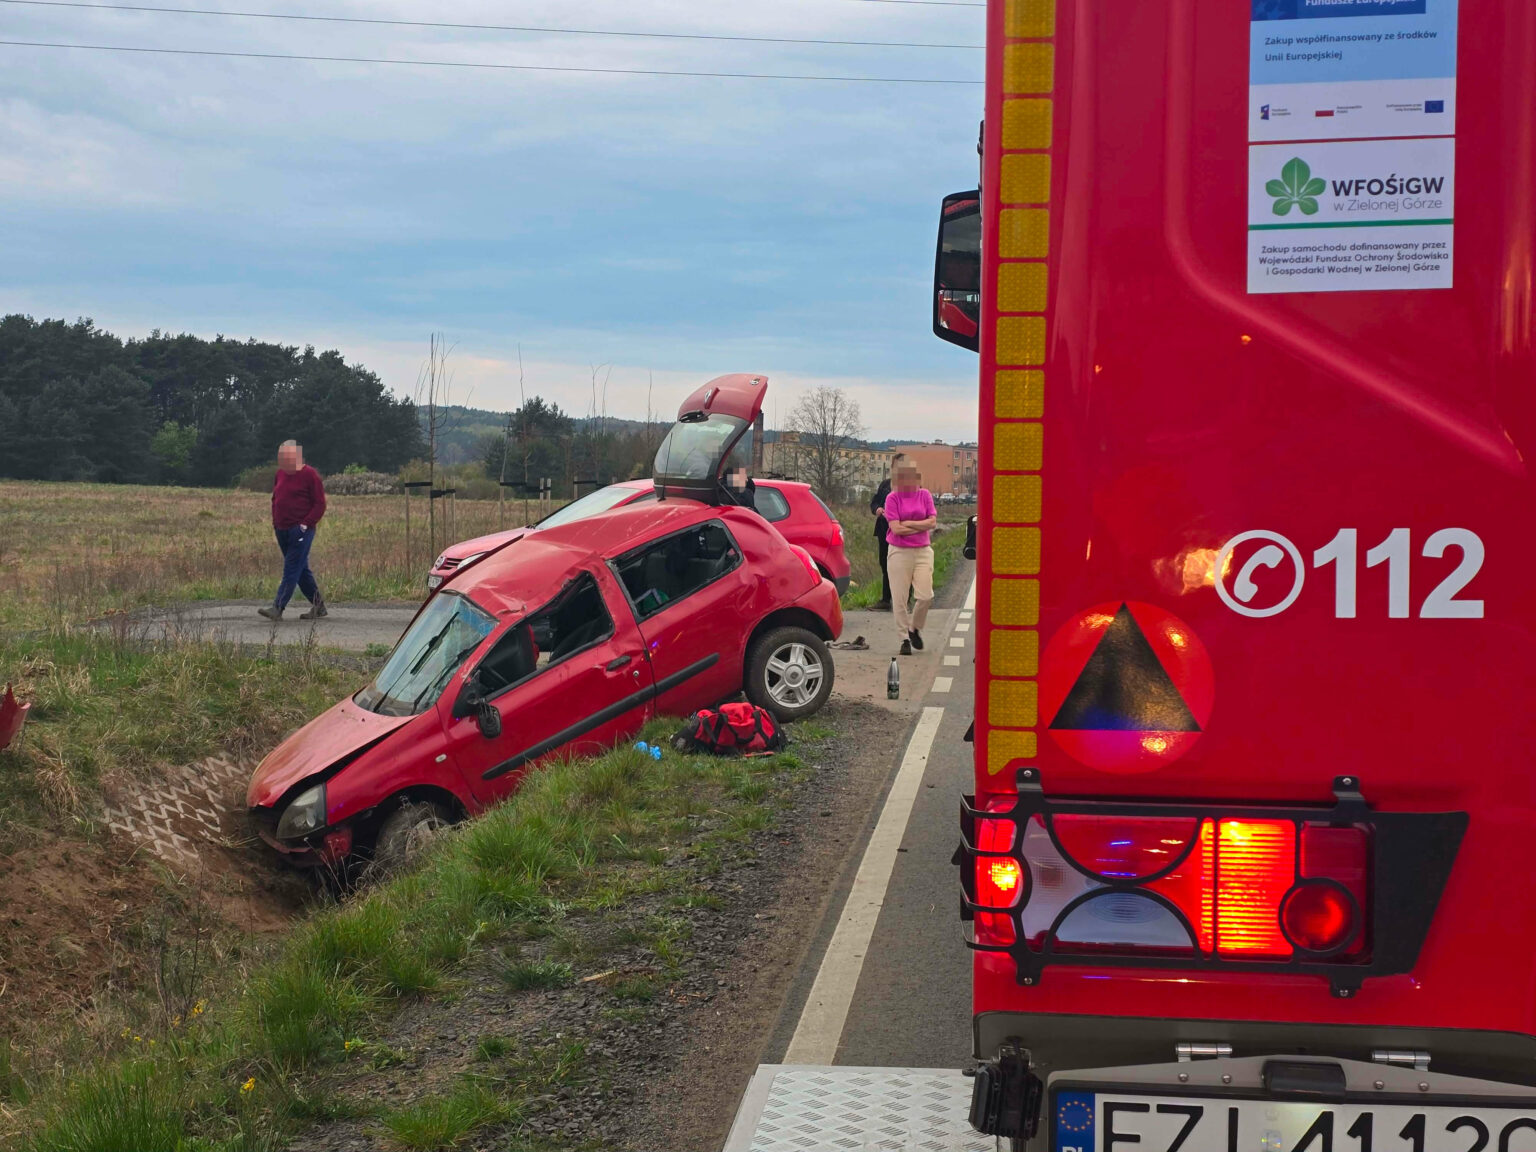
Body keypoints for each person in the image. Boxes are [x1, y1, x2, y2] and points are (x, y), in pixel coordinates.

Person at [259, 440, 328, 622]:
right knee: (301, 570)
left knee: (291, 568)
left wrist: (305, 524)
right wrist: (275, 521)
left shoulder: (310, 475)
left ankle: (278, 607)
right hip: (281, 529)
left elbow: (320, 504)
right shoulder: (280, 473)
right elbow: (276, 498)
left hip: (301, 531)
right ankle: (319, 605)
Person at [884, 462, 937, 655]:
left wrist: (910, 523)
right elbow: (896, 528)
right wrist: (920, 525)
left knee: (925, 596)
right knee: (899, 598)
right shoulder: (892, 498)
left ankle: (914, 627)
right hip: (899, 551)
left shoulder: (925, 495)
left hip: (923, 550)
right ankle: (904, 639)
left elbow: (932, 522)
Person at [869, 454, 901, 610]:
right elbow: (874, 502)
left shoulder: (912, 486)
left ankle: (904, 600)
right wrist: (877, 509)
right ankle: (886, 600)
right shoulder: (885, 485)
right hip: (883, 530)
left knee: (902, 565)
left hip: (902, 532)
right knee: (885, 563)